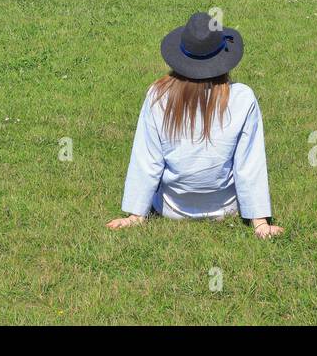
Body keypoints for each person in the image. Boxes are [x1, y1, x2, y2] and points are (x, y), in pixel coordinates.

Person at [107, 12, 284, 239]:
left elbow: (147, 160)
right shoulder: (243, 97)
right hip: (226, 209)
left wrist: (135, 215)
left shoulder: (158, 95)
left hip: (171, 209)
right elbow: (249, 164)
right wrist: (260, 223)